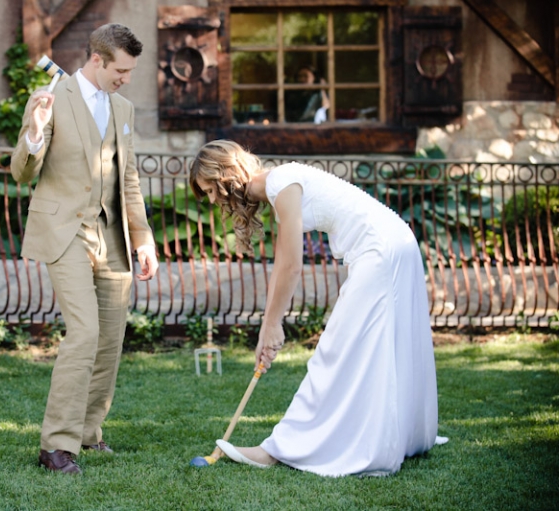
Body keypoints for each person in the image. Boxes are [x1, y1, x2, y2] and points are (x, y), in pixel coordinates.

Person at [189, 140, 446, 478]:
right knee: (388, 345)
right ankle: (403, 436)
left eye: (211, 190)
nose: (212, 200)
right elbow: (284, 263)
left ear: (226, 175)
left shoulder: (282, 184)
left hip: (379, 250)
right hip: (397, 240)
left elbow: (291, 266)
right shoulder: (281, 184)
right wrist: (269, 324)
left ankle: (281, 449)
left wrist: (273, 325)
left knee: (337, 349)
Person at [10, 23, 159, 476]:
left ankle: (89, 432)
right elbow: (22, 172)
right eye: (120, 71)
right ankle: (56, 446)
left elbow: (128, 179)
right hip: (65, 232)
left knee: (110, 339)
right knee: (85, 332)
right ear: (97, 60)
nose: (126, 79)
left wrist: (143, 239)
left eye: (130, 72)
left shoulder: (122, 108)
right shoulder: (51, 97)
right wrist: (35, 132)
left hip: (111, 236)